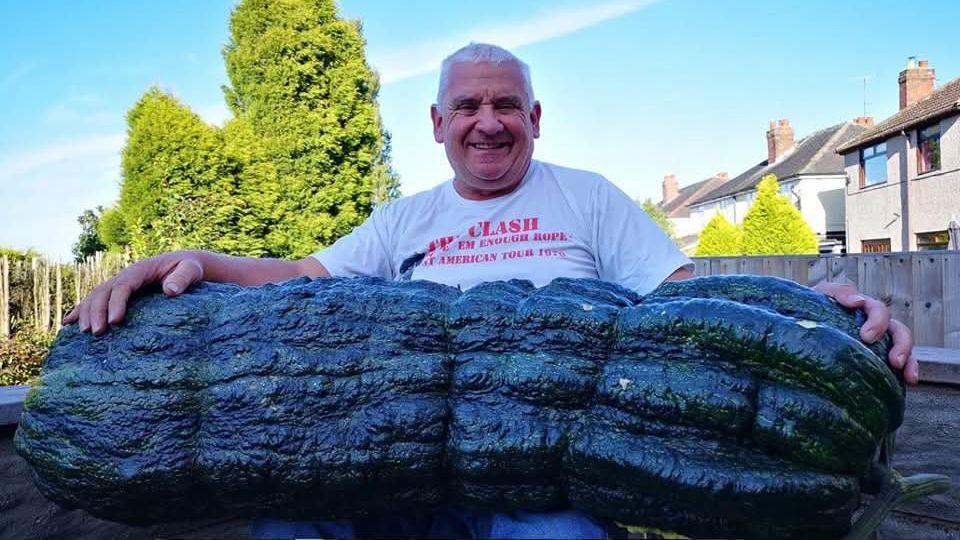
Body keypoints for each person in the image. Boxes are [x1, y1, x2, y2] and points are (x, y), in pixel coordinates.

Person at [64, 43, 918, 539]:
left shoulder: (589, 198)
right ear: (437, 125)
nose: (487, 121)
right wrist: (191, 258)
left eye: (506, 104)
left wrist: (823, 315)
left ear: (535, 118)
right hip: (389, 474)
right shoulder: (402, 221)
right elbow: (296, 282)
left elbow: (687, 307)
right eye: (466, 105)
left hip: (538, 487)